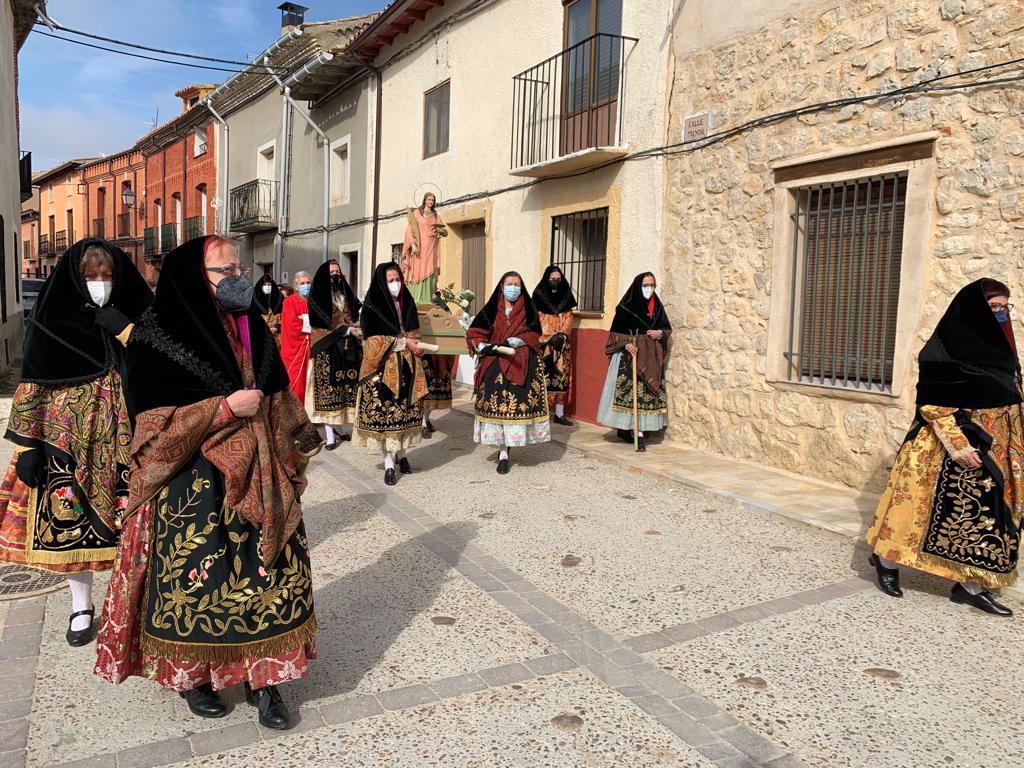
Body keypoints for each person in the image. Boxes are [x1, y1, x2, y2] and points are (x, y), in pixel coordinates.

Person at [94, 236, 321, 730]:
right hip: (191, 484)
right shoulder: (156, 341)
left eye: (239, 268)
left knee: (267, 574)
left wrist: (294, 451)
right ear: (194, 278)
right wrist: (221, 410)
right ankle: (193, 678)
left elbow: (278, 395)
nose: (237, 279)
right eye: (224, 271)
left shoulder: (253, 329)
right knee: (198, 580)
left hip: (260, 476)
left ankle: (267, 683)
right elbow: (150, 432)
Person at [0, 239, 151, 646]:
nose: (99, 283)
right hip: (66, 447)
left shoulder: (139, 316)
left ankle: (133, 604)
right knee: (72, 528)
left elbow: (167, 365)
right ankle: (81, 605)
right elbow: (33, 382)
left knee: (137, 529)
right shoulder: (53, 322)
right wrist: (30, 446)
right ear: (75, 278)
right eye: (90, 276)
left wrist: (129, 332)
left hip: (131, 445)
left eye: (107, 276)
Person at [866, 278, 1022, 617]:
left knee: (986, 521)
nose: (1001, 314)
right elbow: (934, 406)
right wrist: (958, 446)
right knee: (915, 516)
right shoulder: (942, 351)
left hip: (994, 448)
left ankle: (970, 587)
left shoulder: (1000, 348)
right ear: (974, 311)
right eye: (993, 307)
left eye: (1004, 307)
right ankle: (886, 562)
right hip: (944, 449)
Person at [467, 272, 550, 474]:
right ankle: (502, 450)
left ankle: (507, 450)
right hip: (494, 363)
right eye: (510, 284)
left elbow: (534, 333)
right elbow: (475, 332)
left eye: (517, 284)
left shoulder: (528, 309)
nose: (514, 288)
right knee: (498, 408)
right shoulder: (492, 309)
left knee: (514, 408)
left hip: (521, 363)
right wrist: (482, 345)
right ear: (502, 287)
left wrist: (518, 340)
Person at [355, 262, 428, 486]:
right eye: (390, 280)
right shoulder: (371, 307)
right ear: (381, 283)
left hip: (408, 368)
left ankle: (403, 456)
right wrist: (405, 341)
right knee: (386, 418)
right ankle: (388, 463)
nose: (395, 284)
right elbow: (372, 343)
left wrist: (416, 345)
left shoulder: (408, 302)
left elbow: (415, 332)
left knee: (406, 414)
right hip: (382, 373)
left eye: (398, 279)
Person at [597, 273, 671, 452]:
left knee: (645, 395)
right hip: (629, 357)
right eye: (646, 285)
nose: (649, 288)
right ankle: (632, 431)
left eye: (652, 285)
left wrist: (659, 333)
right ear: (638, 286)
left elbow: (666, 327)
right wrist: (627, 343)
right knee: (630, 395)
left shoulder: (657, 306)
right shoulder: (625, 307)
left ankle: (640, 431)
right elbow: (615, 333)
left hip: (650, 357)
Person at [306, 260, 362, 450]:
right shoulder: (317, 296)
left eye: (338, 272)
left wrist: (354, 325)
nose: (335, 276)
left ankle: (339, 427)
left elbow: (353, 313)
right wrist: (345, 329)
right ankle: (329, 434)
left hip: (347, 347)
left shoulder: (344, 293)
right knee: (328, 392)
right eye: (331, 273)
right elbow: (320, 322)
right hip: (326, 349)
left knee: (345, 390)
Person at [533, 265, 577, 427]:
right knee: (542, 378)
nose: (556, 282)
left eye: (558, 279)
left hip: (562, 346)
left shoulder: (566, 296)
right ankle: (540, 412)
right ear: (547, 279)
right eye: (553, 279)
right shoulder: (538, 296)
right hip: (544, 345)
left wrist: (562, 335)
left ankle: (559, 414)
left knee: (561, 379)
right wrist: (549, 337)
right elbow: (536, 320)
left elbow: (568, 318)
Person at [401, 192, 448, 305]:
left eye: (432, 200)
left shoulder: (436, 216)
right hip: (419, 247)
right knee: (417, 270)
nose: (431, 202)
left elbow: (445, 232)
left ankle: (427, 299)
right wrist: (412, 244)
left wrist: (441, 231)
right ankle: (415, 298)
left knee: (430, 269)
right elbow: (409, 229)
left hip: (431, 246)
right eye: (429, 199)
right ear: (424, 200)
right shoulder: (417, 213)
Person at [280, 271, 313, 403]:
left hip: (312, 347)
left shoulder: (314, 301)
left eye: (308, 283)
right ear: (295, 286)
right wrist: (310, 321)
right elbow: (292, 324)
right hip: (296, 348)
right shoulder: (289, 302)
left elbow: (322, 320)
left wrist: (304, 318)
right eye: (302, 283)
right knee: (297, 381)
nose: (306, 285)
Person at [253, 273, 284, 342]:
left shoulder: (279, 298)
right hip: (260, 336)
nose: (267, 286)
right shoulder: (254, 300)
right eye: (265, 285)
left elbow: (286, 318)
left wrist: (277, 328)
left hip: (277, 337)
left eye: (269, 285)